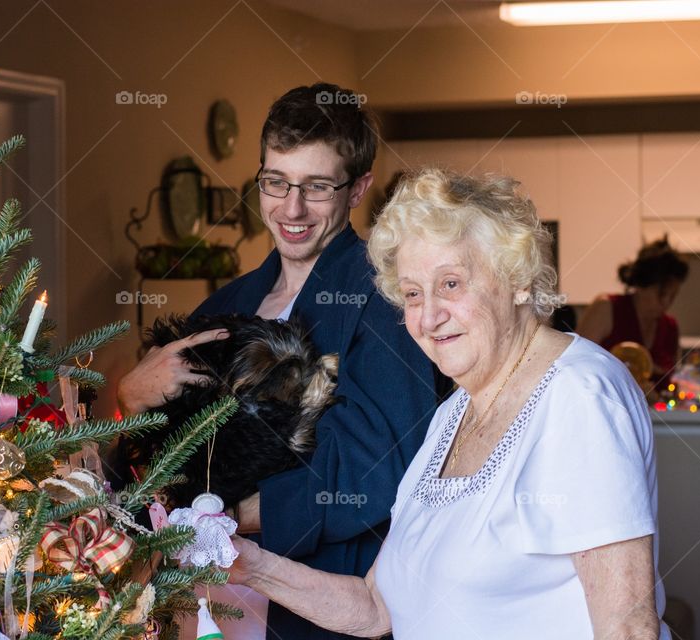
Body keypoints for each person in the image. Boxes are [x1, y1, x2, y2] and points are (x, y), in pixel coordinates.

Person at [227, 168, 670, 640]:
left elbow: (627, 628)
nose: (429, 316)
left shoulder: (578, 397)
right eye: (413, 294)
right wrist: (246, 564)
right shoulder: (452, 414)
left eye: (452, 283)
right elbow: (378, 607)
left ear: (517, 278)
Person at [116, 83, 446, 639]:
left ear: (358, 187)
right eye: (275, 182)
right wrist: (130, 399)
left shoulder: (384, 301)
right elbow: (159, 454)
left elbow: (378, 465)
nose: (291, 210)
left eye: (316, 187)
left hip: (322, 601)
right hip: (207, 598)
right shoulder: (227, 305)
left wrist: (225, 515)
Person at [577, 237, 689, 389]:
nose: (667, 303)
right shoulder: (607, 308)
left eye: (673, 296)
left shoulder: (670, 327)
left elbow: (668, 381)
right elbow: (577, 365)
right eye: (661, 294)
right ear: (641, 285)